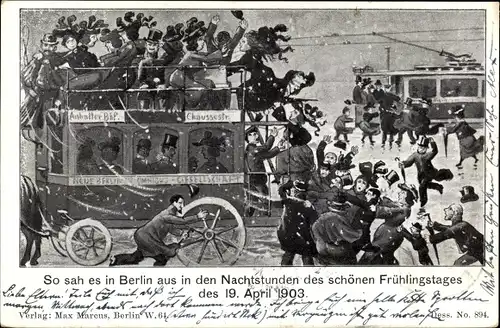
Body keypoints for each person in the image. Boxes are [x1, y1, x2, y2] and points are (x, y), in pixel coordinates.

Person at [110, 195, 208, 266]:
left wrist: (181, 233)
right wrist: (197, 217)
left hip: (143, 237)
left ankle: (116, 259)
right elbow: (181, 221)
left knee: (137, 257)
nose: (182, 206)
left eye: (183, 203)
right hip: (146, 238)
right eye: (180, 203)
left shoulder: (169, 216)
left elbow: (171, 228)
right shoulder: (166, 215)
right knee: (169, 252)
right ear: (173, 203)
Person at [358, 183, 417, 265]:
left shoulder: (404, 209)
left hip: (388, 236)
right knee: (381, 256)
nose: (399, 193)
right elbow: (391, 204)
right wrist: (382, 199)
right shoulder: (401, 206)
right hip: (387, 234)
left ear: (408, 197)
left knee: (372, 255)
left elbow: (390, 211)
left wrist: (377, 209)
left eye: (403, 193)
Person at [399, 136, 453, 210]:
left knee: (422, 187)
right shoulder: (415, 155)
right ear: (418, 147)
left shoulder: (427, 155)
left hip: (429, 173)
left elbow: (435, 151)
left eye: (424, 148)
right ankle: (438, 186)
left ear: (426, 149)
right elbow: (409, 162)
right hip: (421, 175)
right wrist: (403, 164)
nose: (421, 149)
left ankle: (423, 203)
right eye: (420, 147)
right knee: (426, 185)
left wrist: (432, 142)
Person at [277, 180, 318, 266]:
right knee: (307, 257)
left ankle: (283, 274)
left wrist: (291, 182)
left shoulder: (287, 201)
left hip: (288, 235)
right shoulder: (308, 206)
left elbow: (281, 189)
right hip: (304, 237)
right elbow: (314, 222)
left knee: (288, 255)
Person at [244, 126, 280, 216]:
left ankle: (247, 217)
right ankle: (264, 219)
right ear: (247, 139)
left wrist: (277, 149)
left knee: (253, 201)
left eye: (255, 134)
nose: (255, 136)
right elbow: (267, 148)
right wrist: (272, 136)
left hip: (252, 179)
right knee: (265, 200)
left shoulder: (252, 150)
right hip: (257, 179)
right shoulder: (253, 149)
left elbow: (267, 154)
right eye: (251, 135)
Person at [135, 28, 165, 110]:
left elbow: (163, 76)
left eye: (154, 45)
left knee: (163, 93)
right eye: (149, 44)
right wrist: (147, 82)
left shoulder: (162, 62)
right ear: (146, 45)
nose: (152, 47)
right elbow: (140, 78)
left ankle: (163, 113)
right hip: (147, 85)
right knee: (144, 93)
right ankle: (144, 112)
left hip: (159, 86)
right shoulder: (143, 62)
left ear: (158, 46)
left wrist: (160, 82)